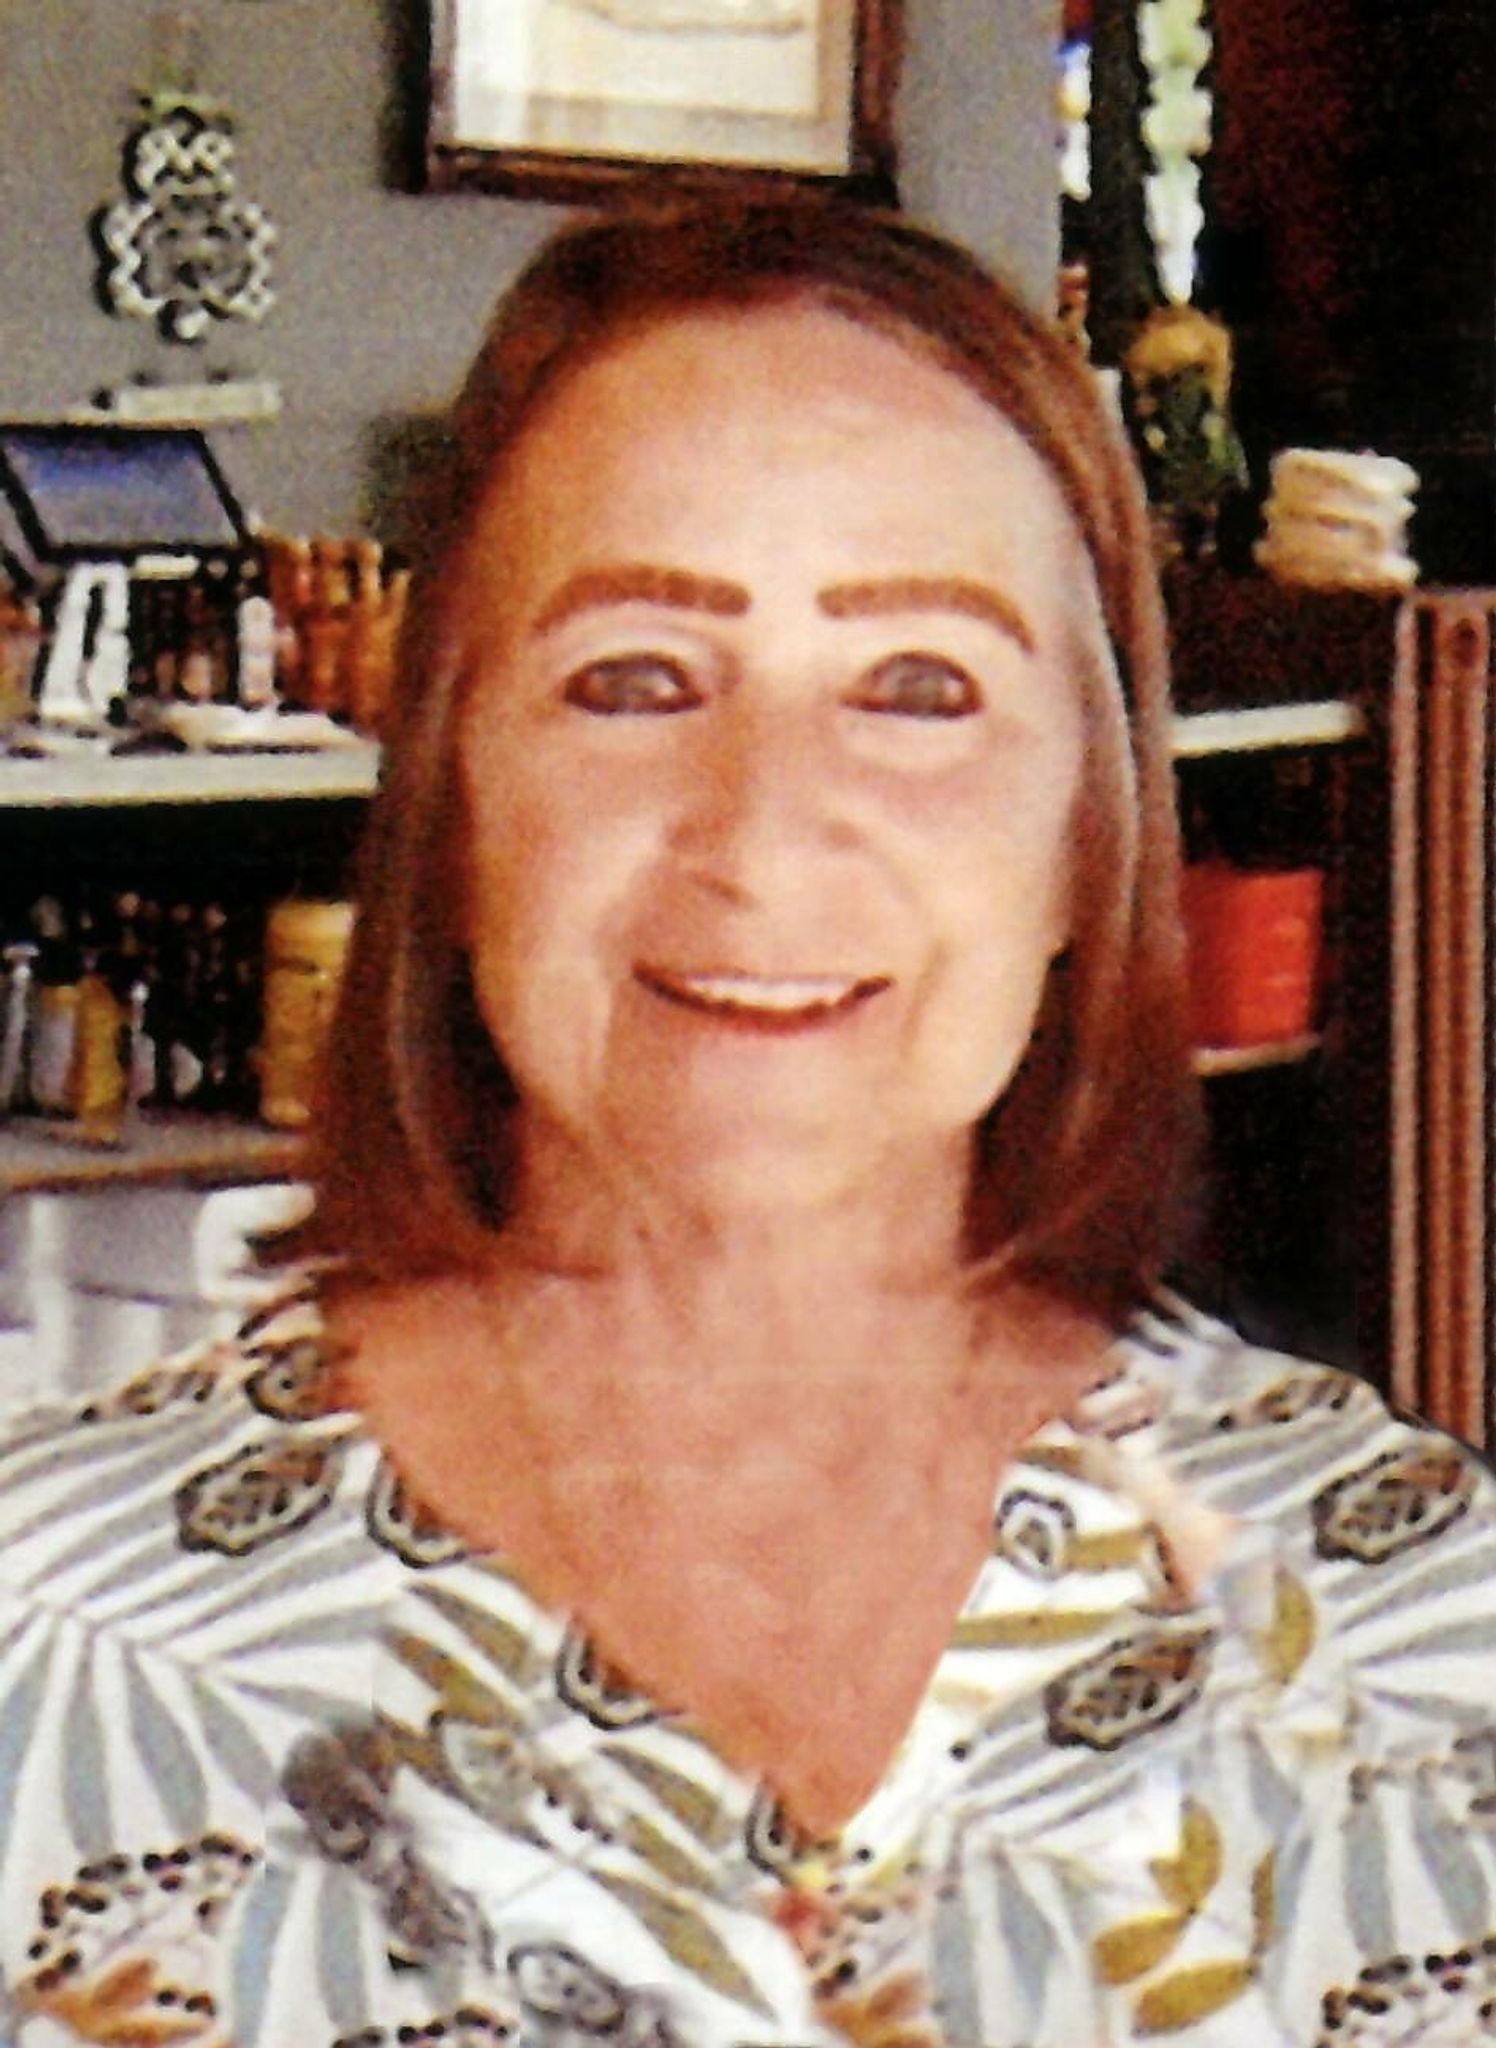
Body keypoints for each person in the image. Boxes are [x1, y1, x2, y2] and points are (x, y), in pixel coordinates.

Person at [2, 199, 1495, 2048]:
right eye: (632, 680)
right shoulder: (44, 1637)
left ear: (1088, 833)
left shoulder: (1414, 1618)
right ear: (453, 803)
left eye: (920, 688)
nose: (765, 832)